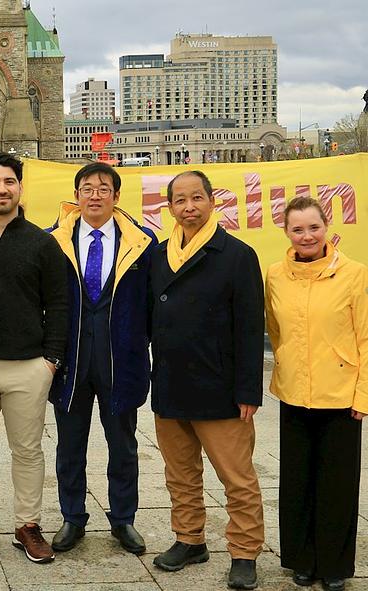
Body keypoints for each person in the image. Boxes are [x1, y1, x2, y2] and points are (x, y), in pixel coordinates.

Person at [149, 170, 264, 590]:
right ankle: (189, 538)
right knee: (180, 475)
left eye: (196, 198)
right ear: (171, 208)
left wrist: (248, 389)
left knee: (237, 478)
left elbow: (252, 327)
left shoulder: (236, 254)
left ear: (212, 201)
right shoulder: (159, 256)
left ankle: (245, 551)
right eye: (180, 201)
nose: (189, 207)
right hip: (170, 385)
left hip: (221, 389)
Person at [0, 152, 67, 564]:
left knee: (28, 450)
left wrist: (50, 360)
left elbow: (58, 304)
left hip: (29, 366)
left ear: (20, 188)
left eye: (9, 182)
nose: (1, 189)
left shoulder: (42, 243)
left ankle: (27, 524)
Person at [48, 163, 155, 556]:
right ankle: (72, 517)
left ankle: (123, 520)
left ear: (116, 196)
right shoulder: (54, 241)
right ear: (76, 195)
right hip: (71, 364)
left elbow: (151, 305)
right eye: (87, 188)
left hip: (121, 361)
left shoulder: (142, 244)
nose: (95, 195)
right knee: (69, 446)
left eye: (103, 188)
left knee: (123, 446)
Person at [265, 197, 368, 591]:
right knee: (295, 483)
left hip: (342, 397)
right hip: (294, 394)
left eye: (313, 227)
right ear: (286, 232)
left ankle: (335, 564)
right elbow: (274, 330)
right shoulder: (275, 274)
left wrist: (363, 395)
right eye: (297, 229)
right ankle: (302, 560)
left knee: (337, 484)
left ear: (326, 227)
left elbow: (365, 336)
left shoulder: (355, 274)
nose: (306, 236)